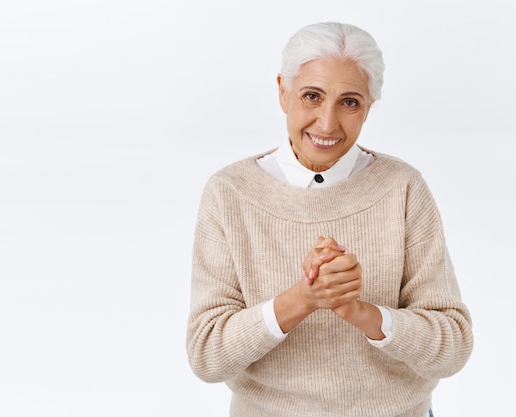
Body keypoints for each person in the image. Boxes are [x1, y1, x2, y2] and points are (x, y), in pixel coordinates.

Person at [186, 22, 473, 417]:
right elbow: (207, 355)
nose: (326, 123)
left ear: (369, 107)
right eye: (311, 96)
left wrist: (361, 313)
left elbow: (452, 348)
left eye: (350, 102)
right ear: (283, 92)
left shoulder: (402, 187)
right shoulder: (230, 193)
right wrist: (303, 299)